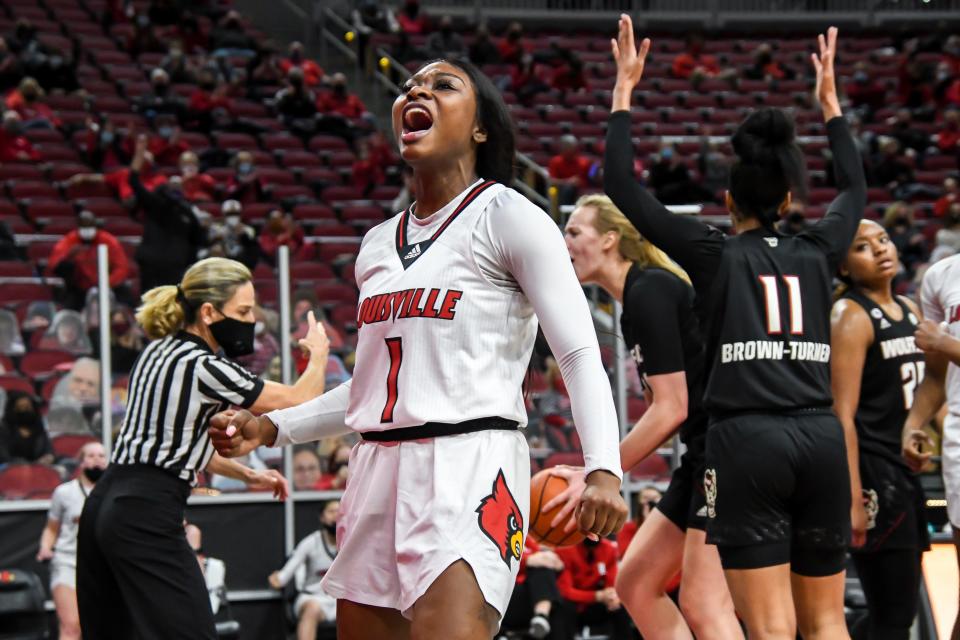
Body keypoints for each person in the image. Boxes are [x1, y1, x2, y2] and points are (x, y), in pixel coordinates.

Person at [208, 58, 627, 640]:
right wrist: (270, 429)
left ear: (481, 127)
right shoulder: (377, 244)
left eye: (442, 85)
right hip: (376, 467)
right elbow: (371, 389)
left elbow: (580, 354)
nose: (416, 93)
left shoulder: (509, 216)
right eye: (410, 87)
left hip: (469, 463)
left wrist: (605, 466)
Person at [603, 19, 863, 639]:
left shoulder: (715, 253)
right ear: (786, 203)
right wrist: (830, 105)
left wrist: (623, 92)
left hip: (747, 442)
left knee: (770, 627)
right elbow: (854, 186)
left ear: (727, 202)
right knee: (827, 624)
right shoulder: (819, 247)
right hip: (821, 437)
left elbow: (620, 186)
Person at [77, 257, 330, 639]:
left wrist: (249, 475)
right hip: (145, 510)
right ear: (209, 312)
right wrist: (320, 353)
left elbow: (175, 444)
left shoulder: (157, 352)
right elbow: (298, 398)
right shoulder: (203, 365)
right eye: (243, 311)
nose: (250, 322)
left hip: (106, 503)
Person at [547, 194, 741, 639]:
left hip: (725, 452)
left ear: (611, 239)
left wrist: (600, 471)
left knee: (704, 603)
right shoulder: (637, 299)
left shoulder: (650, 288)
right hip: (701, 455)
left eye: (574, 232)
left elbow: (672, 408)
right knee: (635, 582)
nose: (564, 241)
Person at [830, 220, 929, 640]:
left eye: (884, 240)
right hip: (873, 472)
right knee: (893, 613)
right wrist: (852, 494)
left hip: (903, 470)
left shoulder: (910, 309)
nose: (881, 250)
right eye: (863, 247)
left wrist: (922, 430)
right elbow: (842, 414)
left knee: (898, 610)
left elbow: (920, 395)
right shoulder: (850, 314)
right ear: (845, 266)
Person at [901, 253, 960, 640]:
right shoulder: (941, 274)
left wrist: (945, 342)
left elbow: (943, 349)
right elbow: (936, 375)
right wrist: (913, 424)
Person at [36, 442, 108, 640]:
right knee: (71, 626)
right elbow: (51, 528)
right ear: (81, 461)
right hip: (67, 562)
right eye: (91, 455)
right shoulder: (64, 492)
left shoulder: (112, 493)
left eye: (101, 456)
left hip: (102, 566)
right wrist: (45, 547)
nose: (97, 460)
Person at [128, 135, 207, 291]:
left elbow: (199, 239)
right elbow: (134, 181)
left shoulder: (188, 212)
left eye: (179, 186)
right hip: (151, 264)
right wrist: (139, 155)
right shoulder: (156, 204)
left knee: (172, 305)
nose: (175, 189)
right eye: (172, 186)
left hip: (176, 267)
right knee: (149, 304)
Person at [269, 500, 341, 640]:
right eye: (331, 511)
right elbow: (284, 576)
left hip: (342, 599)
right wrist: (277, 580)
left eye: (339, 511)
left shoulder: (352, 542)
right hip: (313, 597)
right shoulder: (311, 542)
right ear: (322, 517)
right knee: (311, 609)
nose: (336, 516)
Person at [46, 211, 131, 311]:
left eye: (89, 226)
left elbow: (121, 268)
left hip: (107, 286)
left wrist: (106, 283)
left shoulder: (108, 241)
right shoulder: (70, 241)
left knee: (126, 301)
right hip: (79, 289)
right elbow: (54, 264)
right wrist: (70, 255)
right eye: (83, 226)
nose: (87, 230)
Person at [553, 536, 632, 640]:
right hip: (574, 605)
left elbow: (611, 583)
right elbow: (566, 591)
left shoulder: (609, 549)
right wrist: (596, 596)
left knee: (619, 605)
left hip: (597, 605)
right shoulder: (565, 549)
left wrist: (612, 597)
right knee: (564, 606)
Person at [0, 391, 52, 464]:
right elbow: (4, 457)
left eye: (28, 407)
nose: (26, 410)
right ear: (13, 410)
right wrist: (30, 464)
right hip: (11, 469)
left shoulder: (39, 427)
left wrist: (49, 456)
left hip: (40, 467)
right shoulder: (3, 430)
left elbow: (48, 448)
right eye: (21, 407)